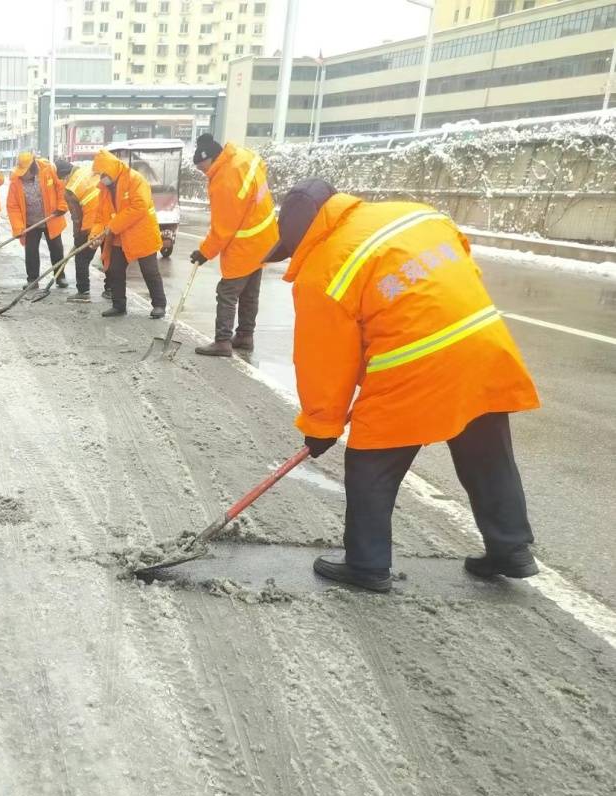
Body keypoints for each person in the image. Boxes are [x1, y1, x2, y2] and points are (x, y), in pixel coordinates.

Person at [266, 178, 541, 593]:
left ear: (300, 238)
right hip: (483, 346)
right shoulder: (413, 213)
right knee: (486, 454)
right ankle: (511, 548)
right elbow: (462, 263)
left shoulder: (322, 268)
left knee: (370, 465)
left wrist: (322, 426)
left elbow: (324, 362)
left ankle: (366, 564)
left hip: (414, 366)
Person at [188, 134, 279, 356]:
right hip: (265, 237)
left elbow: (223, 228)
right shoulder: (242, 156)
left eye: (202, 167)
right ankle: (245, 337)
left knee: (227, 292)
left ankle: (222, 341)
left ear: (210, 158)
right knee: (250, 292)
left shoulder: (225, 180)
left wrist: (204, 252)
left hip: (245, 242)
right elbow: (262, 168)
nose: (203, 172)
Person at [88, 149, 166, 318]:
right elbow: (100, 217)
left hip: (141, 234)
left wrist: (113, 225)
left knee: (149, 270)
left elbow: (139, 206)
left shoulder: (135, 179)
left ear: (110, 169)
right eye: (99, 174)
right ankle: (118, 305)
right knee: (115, 269)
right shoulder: (104, 190)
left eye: (102, 173)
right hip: (118, 236)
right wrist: (95, 235)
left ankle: (159, 305)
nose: (101, 178)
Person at [7, 151, 68, 288]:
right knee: (31, 252)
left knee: (57, 249)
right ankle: (32, 280)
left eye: (26, 171)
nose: (23, 174)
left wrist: (62, 206)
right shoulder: (15, 181)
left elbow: (60, 189)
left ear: (33, 166)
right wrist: (18, 228)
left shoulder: (48, 170)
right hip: (30, 223)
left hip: (51, 218)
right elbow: (13, 206)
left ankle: (60, 276)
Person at [58, 158, 100, 304]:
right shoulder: (85, 171)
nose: (62, 181)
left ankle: (83, 292)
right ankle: (110, 290)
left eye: (62, 178)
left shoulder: (70, 189)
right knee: (109, 257)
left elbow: (76, 218)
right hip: (108, 218)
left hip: (91, 225)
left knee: (81, 258)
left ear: (65, 175)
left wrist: (78, 237)